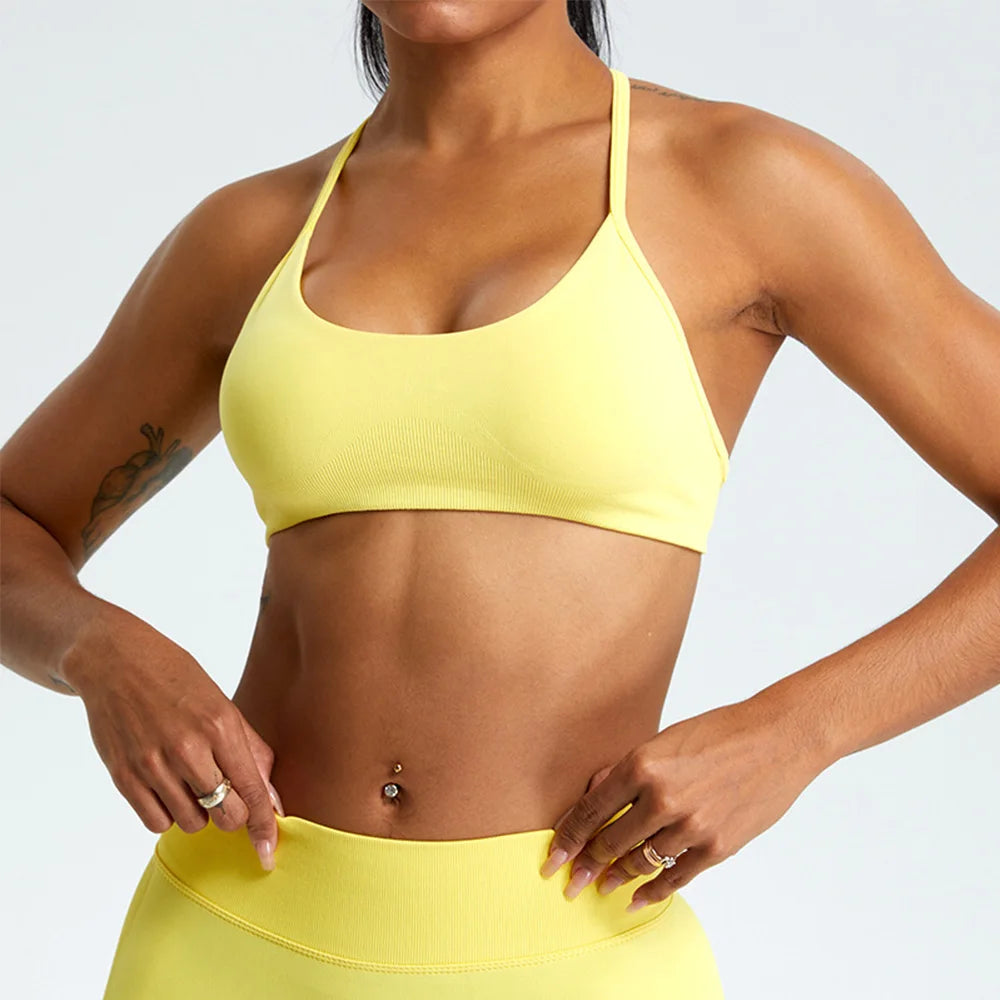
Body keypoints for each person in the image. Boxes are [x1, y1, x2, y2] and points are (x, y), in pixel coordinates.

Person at [2, 2, 999, 997]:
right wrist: (101, 652)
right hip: (224, 930)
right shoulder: (250, 234)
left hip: (569, 947)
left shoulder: (740, 184)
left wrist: (796, 731)